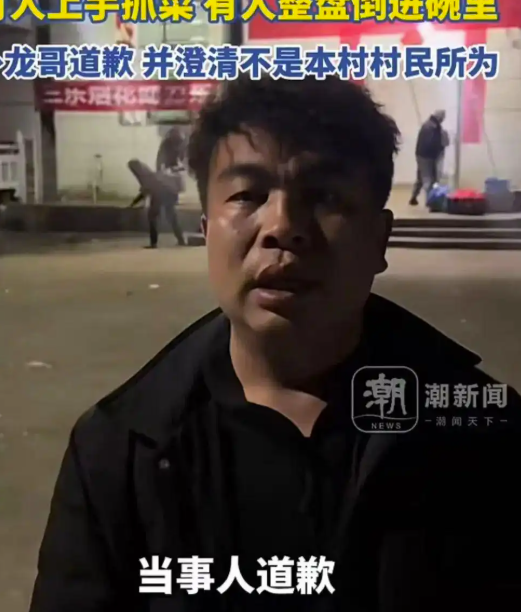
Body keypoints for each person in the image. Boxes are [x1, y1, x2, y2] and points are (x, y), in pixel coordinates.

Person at [30, 76, 521, 612]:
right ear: (207, 231)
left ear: (379, 239)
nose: (282, 227)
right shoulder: (119, 450)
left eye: (324, 196)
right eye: (247, 195)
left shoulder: (487, 434)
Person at [127, 158, 186, 248]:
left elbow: (145, 192)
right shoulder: (150, 174)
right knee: (171, 218)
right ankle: (181, 240)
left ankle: (153, 243)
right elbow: (146, 190)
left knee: (153, 218)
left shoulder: (145, 176)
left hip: (159, 195)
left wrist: (133, 203)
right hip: (168, 195)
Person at [409, 109, 446, 206]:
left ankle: (413, 197)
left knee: (420, 178)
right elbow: (432, 143)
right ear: (439, 117)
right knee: (428, 179)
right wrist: (439, 149)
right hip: (427, 156)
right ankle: (429, 201)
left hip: (422, 155)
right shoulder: (432, 127)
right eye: (442, 117)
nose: (443, 120)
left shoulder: (429, 125)